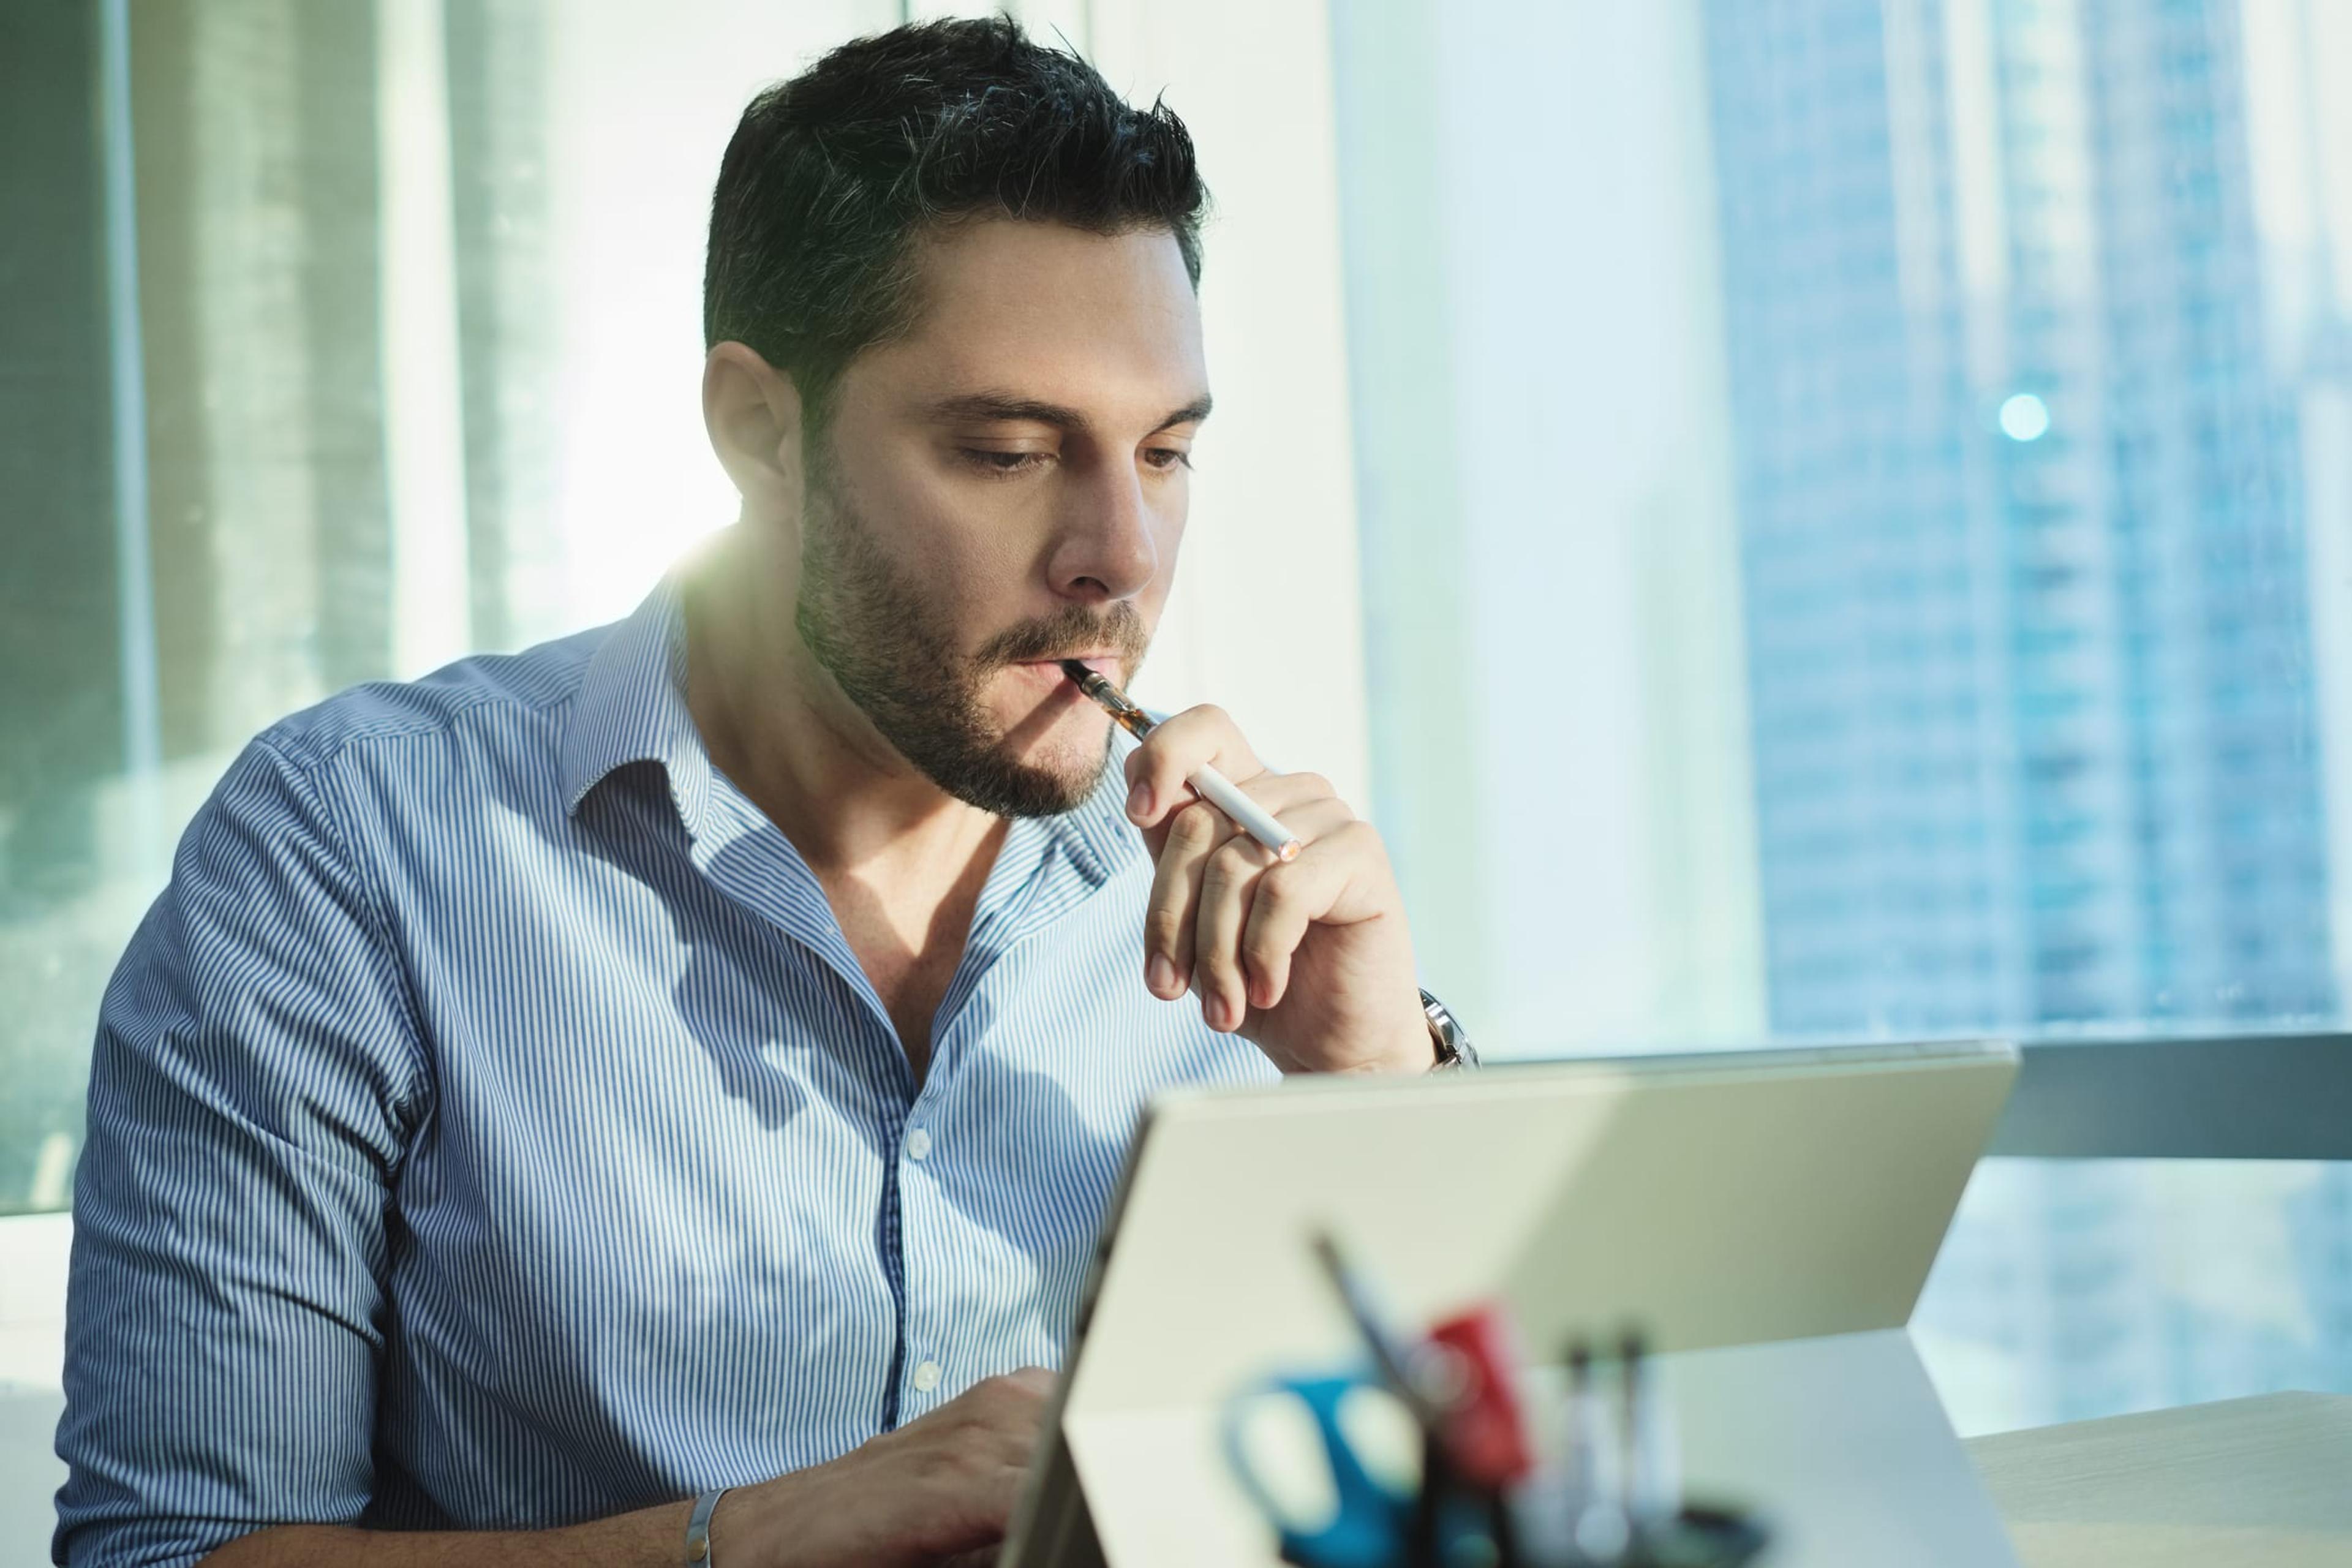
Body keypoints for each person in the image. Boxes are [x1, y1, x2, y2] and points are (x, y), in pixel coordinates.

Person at [56, 17, 1460, 1568]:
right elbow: (164, 1554)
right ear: (757, 431)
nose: (1120, 557)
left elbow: (1479, 1499)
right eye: (1007, 450)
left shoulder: (1253, 904)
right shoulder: (345, 854)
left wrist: (1381, 1087)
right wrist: (765, 1536)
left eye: (1167, 452)